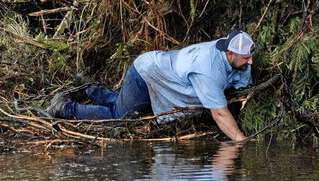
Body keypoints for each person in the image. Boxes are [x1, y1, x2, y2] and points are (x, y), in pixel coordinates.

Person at [47, 31, 255, 142]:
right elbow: (219, 113)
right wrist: (241, 141)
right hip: (147, 72)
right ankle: (65, 108)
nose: (250, 62)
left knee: (129, 106)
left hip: (164, 75)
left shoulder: (229, 52)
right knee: (120, 118)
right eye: (246, 58)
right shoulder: (207, 69)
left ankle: (89, 87)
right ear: (229, 53)